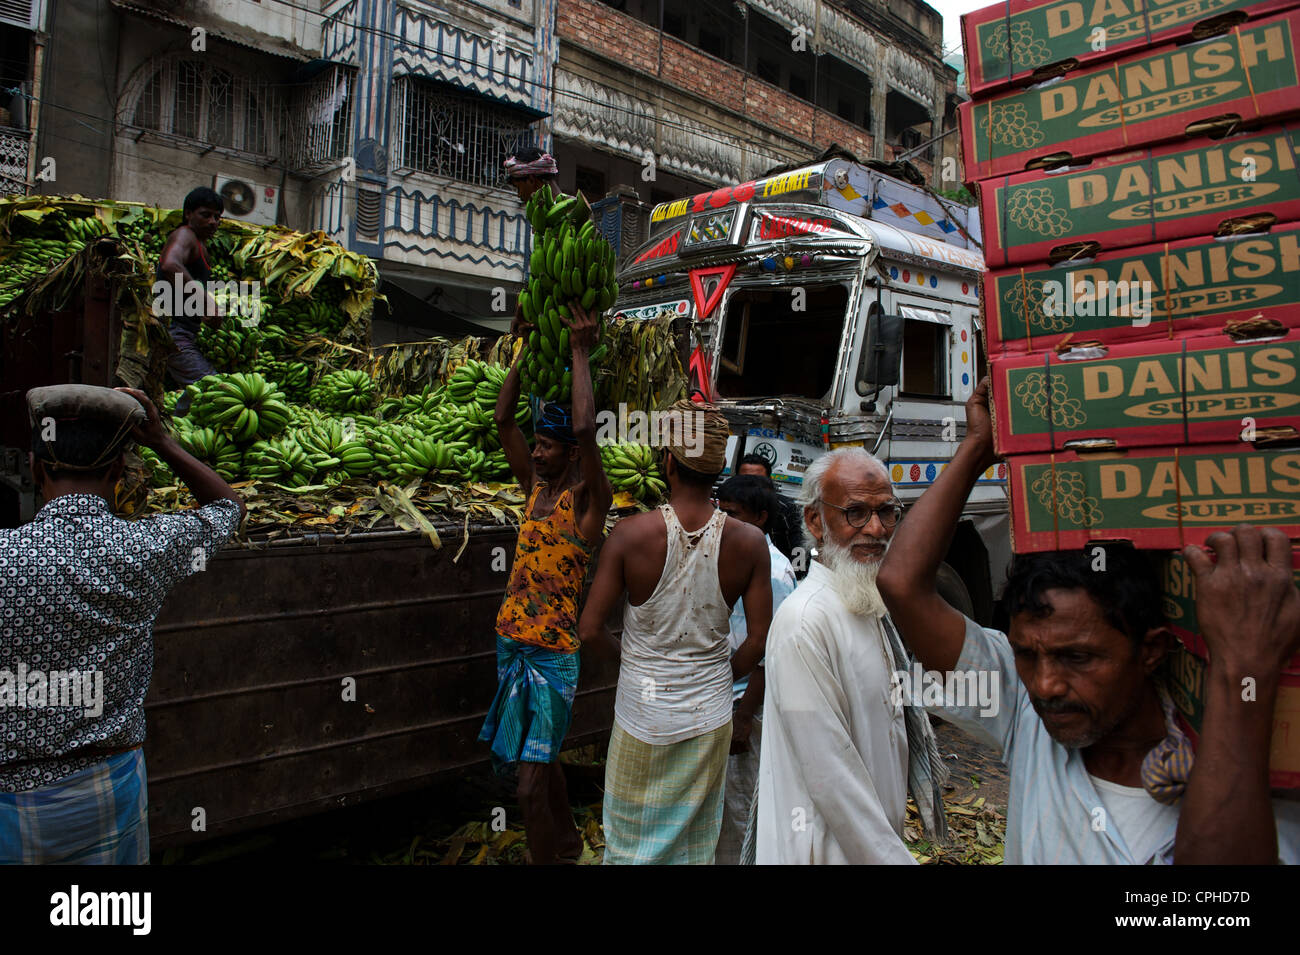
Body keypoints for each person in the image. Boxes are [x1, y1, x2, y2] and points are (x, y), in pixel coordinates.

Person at [877, 377, 1300, 864]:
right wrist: (979, 447)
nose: (1047, 684)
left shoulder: (1237, 768)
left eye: (1078, 657)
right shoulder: (1024, 712)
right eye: (1026, 654)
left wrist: (1242, 669)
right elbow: (901, 584)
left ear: (1152, 650)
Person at [0, 384, 244, 864]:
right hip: (107, 789)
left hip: (10, 795)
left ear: (35, 468)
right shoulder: (147, 547)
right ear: (117, 472)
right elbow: (227, 508)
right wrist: (161, 440)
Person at [578, 400, 771, 864]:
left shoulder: (629, 535)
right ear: (721, 466)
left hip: (642, 716)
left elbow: (588, 630)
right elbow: (760, 641)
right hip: (709, 716)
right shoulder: (750, 543)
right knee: (692, 846)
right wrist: (722, 674)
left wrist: (635, 661)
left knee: (630, 844)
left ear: (668, 461)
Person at [754, 446, 946, 864]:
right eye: (855, 513)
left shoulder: (867, 603)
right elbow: (831, 776)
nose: (876, 529)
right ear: (814, 521)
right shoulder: (804, 622)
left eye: (887, 512)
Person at [478, 303, 612, 865]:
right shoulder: (534, 486)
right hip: (513, 644)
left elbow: (585, 426)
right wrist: (526, 347)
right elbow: (503, 419)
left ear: (572, 455)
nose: (536, 451)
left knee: (527, 787)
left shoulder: (589, 505)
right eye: (537, 445)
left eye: (547, 446)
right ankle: (565, 845)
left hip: (553, 655)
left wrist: (579, 351)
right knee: (544, 761)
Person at [712, 474, 796, 865]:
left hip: (748, 705)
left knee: (743, 807)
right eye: (720, 512)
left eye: (732, 515)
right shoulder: (728, 555)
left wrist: (744, 716)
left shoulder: (775, 573)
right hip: (724, 700)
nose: (722, 521)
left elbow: (769, 652)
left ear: (760, 518)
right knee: (724, 806)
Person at [157, 187, 225, 406]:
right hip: (174, 331)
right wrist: (205, 300)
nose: (213, 221)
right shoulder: (185, 235)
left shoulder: (199, 244)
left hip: (183, 331)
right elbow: (169, 264)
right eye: (205, 215)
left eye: (217, 217)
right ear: (188, 214)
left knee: (195, 396)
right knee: (212, 391)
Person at [737, 453, 801, 569]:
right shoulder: (729, 509)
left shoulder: (786, 509)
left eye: (758, 481)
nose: (751, 486)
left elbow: (799, 549)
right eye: (745, 480)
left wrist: (795, 576)